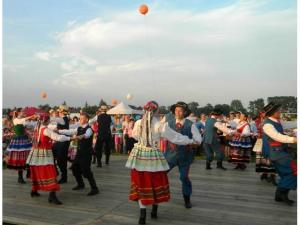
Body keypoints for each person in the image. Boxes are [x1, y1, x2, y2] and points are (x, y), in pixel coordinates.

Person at [126, 101, 196, 225]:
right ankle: (154, 210)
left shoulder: (138, 123)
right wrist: (189, 140)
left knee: (141, 182)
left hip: (139, 155)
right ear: (157, 111)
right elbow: (175, 137)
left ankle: (142, 215)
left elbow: (135, 136)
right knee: (155, 182)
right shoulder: (160, 125)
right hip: (153, 156)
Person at [163, 102, 202, 209]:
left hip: (185, 156)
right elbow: (160, 135)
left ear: (185, 112)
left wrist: (195, 143)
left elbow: (198, 139)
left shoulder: (191, 124)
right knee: (161, 174)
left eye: (180, 110)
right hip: (170, 156)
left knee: (184, 177)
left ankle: (187, 199)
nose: (177, 112)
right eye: (176, 110)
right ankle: (158, 195)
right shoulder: (168, 123)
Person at [26, 114, 71, 205]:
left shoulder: (37, 128)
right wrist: (71, 137)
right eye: (49, 120)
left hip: (35, 154)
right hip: (45, 154)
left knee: (38, 172)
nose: (50, 121)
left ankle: (34, 190)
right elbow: (58, 137)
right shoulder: (45, 130)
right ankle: (52, 195)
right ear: (46, 121)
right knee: (51, 172)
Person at [262, 102, 297, 206]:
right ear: (272, 113)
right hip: (277, 153)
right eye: (278, 110)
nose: (280, 112)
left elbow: (291, 124)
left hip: (280, 152)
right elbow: (277, 136)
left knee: (286, 174)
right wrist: (294, 139)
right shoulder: (268, 124)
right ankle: (280, 193)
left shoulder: (276, 121)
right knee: (294, 172)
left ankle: (280, 195)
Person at [59, 113, 99, 196]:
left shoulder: (89, 129)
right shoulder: (79, 128)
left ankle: (94, 188)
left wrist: (79, 136)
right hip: (79, 152)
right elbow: (70, 131)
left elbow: (87, 135)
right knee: (74, 168)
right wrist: (58, 131)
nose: (80, 120)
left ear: (87, 120)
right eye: (80, 118)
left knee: (86, 171)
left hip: (86, 153)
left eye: (82, 118)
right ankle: (81, 184)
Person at [6, 109, 35, 183]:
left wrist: (30, 133)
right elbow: (23, 120)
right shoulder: (16, 120)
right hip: (18, 141)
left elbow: (26, 128)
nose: (24, 113)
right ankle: (20, 177)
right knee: (20, 158)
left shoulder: (22, 121)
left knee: (27, 156)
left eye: (24, 112)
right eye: (23, 112)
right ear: (19, 113)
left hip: (24, 140)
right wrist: (32, 116)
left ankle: (28, 174)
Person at [51, 105, 71, 184]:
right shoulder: (62, 119)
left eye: (59, 111)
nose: (58, 112)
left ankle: (64, 177)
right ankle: (56, 171)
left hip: (63, 142)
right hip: (59, 141)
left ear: (62, 112)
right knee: (52, 154)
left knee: (61, 160)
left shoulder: (63, 119)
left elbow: (52, 119)